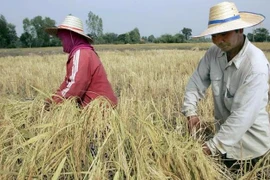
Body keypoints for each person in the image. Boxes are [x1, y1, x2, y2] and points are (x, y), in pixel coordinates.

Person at [181, 1, 270, 172]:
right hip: (224, 148)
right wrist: (190, 112)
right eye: (214, 35)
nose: (218, 40)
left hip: (251, 152)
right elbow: (196, 82)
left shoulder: (255, 66)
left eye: (224, 34)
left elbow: (242, 117)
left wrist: (209, 148)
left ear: (240, 30)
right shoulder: (214, 53)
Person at [44, 15, 117, 109]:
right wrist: (53, 97)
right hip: (101, 106)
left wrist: (54, 103)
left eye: (62, 39)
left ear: (70, 36)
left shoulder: (81, 53)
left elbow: (76, 84)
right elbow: (68, 82)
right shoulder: (85, 51)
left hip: (98, 109)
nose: (62, 43)